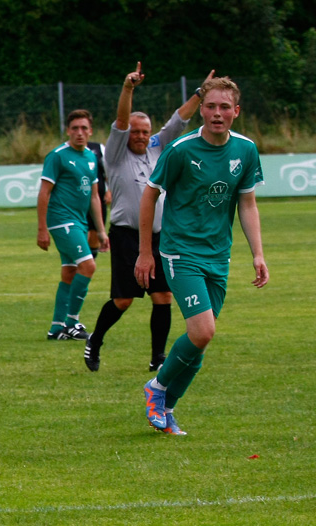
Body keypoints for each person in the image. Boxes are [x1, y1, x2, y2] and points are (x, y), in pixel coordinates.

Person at [136, 76, 267, 435]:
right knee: (203, 331)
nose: (217, 113)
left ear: (236, 112)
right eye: (210, 106)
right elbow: (149, 196)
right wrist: (145, 253)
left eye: (225, 107)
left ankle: (167, 410)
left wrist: (258, 254)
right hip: (180, 251)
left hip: (218, 256)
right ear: (202, 110)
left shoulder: (246, 150)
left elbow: (247, 202)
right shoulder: (180, 150)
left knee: (200, 341)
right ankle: (157, 388)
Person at [84, 63, 213, 372]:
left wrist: (201, 93)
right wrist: (128, 88)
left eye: (146, 132)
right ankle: (95, 339)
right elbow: (121, 121)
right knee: (124, 300)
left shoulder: (158, 148)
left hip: (160, 235)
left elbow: (178, 121)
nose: (140, 137)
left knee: (163, 295)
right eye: (136, 132)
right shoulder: (115, 153)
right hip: (127, 235)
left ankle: (157, 358)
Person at [37, 109, 109, 340]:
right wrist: (42, 229)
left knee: (69, 272)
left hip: (79, 222)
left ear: (91, 131)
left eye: (84, 128)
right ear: (68, 131)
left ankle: (56, 328)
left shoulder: (90, 157)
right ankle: (72, 322)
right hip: (61, 221)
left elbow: (95, 197)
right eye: (75, 128)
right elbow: (44, 193)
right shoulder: (57, 156)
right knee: (88, 266)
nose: (80, 133)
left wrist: (100, 230)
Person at [86, 138, 109, 259]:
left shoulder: (98, 148)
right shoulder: (67, 151)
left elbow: (108, 170)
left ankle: (89, 264)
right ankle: (82, 265)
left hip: (99, 199)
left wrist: (109, 190)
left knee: (95, 233)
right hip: (79, 201)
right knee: (82, 233)